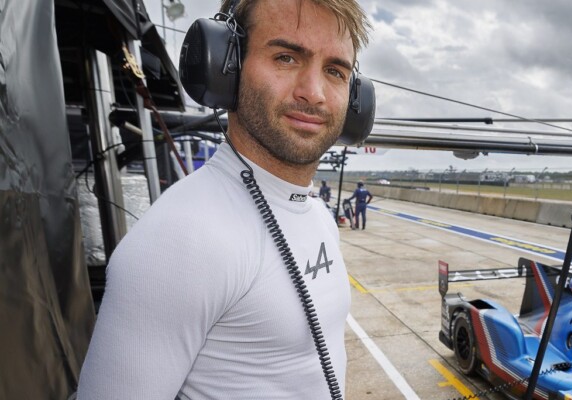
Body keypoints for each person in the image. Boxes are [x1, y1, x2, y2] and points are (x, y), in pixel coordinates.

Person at [76, 0, 370, 398]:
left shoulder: (315, 213)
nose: (314, 93)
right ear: (224, 67)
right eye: (286, 57)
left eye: (335, 71)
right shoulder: (178, 241)